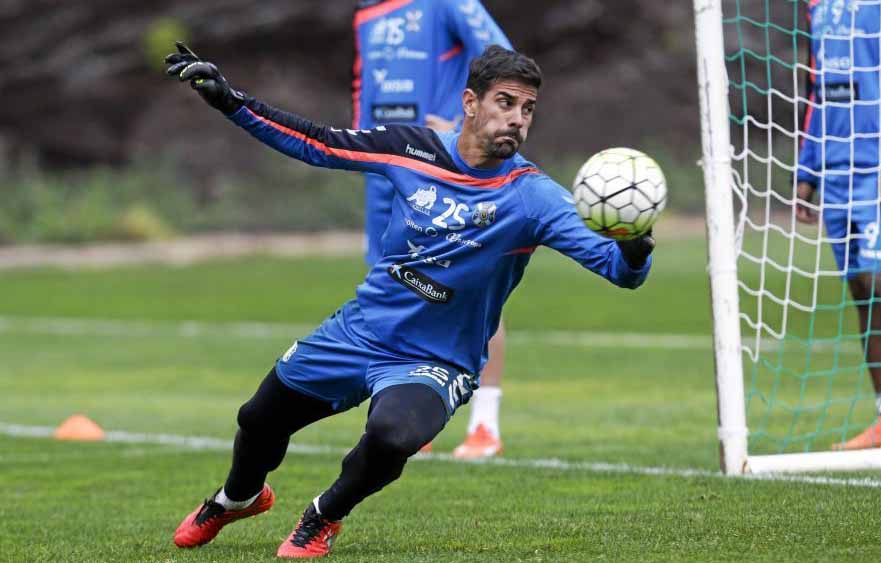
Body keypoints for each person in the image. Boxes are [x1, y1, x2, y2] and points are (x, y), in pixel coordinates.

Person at [165, 43, 655, 558]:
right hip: (360, 332)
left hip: (436, 360)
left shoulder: (533, 198)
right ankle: (237, 498)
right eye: (505, 103)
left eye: (528, 109)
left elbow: (619, 271)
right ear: (470, 103)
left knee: (392, 436)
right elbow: (317, 142)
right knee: (259, 419)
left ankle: (324, 515)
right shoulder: (410, 149)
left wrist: (634, 247)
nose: (517, 119)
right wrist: (232, 102)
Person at [353, 0, 514, 459]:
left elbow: (503, 61)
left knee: (472, 287)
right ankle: (410, 416)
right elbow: (365, 86)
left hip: (444, 165)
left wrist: (465, 125)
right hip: (387, 169)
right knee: (397, 288)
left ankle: (484, 426)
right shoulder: (366, 12)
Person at [795, 0, 881, 449]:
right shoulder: (817, 4)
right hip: (836, 165)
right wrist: (807, 171)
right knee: (861, 288)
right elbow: (818, 88)